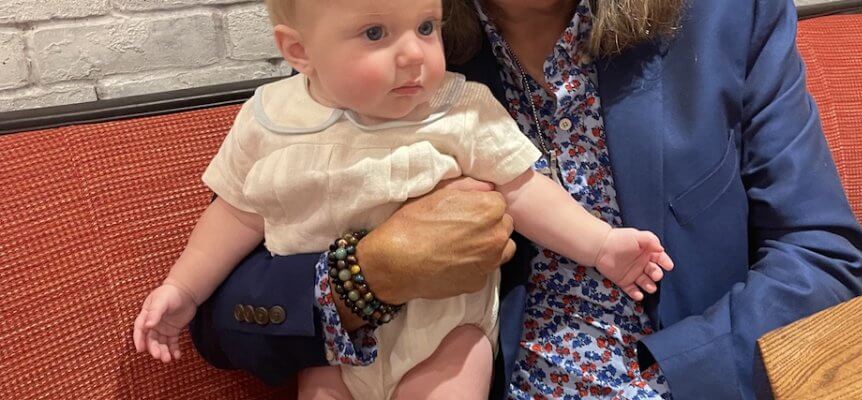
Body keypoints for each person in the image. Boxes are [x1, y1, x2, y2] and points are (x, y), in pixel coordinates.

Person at [181, 0, 862, 398]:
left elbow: (822, 255)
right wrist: (371, 273)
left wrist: (674, 377)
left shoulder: (727, 15)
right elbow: (223, 321)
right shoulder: (385, 39)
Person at [131, 0, 679, 398]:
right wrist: (183, 286)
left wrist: (602, 244)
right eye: (375, 33)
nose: (414, 55)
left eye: (425, 26)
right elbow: (236, 211)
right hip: (332, 349)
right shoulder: (271, 120)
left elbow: (522, 187)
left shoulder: (459, 109)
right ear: (298, 51)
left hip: (445, 334)